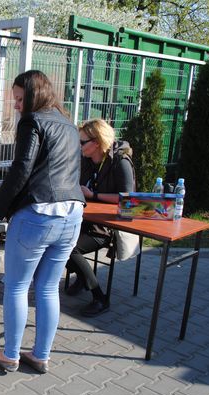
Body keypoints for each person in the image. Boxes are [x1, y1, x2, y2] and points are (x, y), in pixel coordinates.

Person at [0, 70, 85, 374]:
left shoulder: (33, 121)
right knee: (48, 287)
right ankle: (41, 355)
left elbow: (21, 169)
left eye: (18, 98)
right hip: (73, 214)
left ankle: (10, 354)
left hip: (38, 216)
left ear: (33, 95)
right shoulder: (67, 122)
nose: (15, 105)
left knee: (16, 286)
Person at [64, 119, 135, 317]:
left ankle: (99, 297)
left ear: (96, 142)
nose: (79, 146)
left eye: (82, 142)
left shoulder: (120, 162)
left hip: (105, 227)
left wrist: (93, 195)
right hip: (84, 219)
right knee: (52, 240)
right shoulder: (86, 159)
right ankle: (81, 274)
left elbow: (128, 200)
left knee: (69, 247)